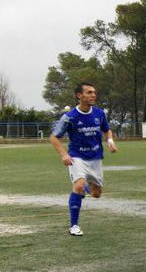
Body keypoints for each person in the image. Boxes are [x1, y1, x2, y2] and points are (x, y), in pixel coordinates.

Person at [48, 83, 118, 236]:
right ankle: (74, 226)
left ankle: (87, 186)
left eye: (94, 92)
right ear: (79, 95)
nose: (93, 95)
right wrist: (64, 155)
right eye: (89, 92)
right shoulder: (70, 117)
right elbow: (54, 137)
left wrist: (110, 141)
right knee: (78, 187)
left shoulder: (99, 114)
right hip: (77, 157)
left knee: (97, 194)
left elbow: (107, 130)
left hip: (96, 158)